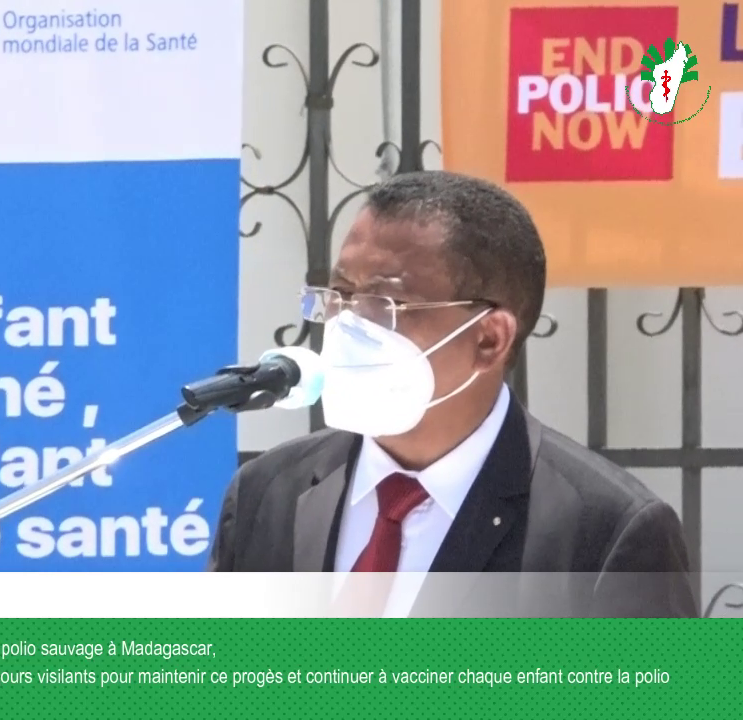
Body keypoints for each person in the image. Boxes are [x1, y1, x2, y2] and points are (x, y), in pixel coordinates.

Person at [206, 170, 697, 618]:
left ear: (489, 340)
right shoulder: (267, 494)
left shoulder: (607, 535)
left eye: (386, 303)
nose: (348, 326)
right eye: (340, 295)